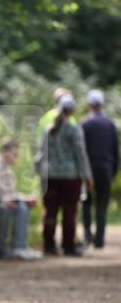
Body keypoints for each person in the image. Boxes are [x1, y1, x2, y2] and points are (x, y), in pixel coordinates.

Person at [35, 94, 92, 256]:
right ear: (72, 110)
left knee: (50, 211)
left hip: (49, 176)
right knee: (69, 212)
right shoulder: (74, 129)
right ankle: (68, 246)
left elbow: (40, 153)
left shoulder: (48, 129)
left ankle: (49, 245)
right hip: (70, 177)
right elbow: (81, 155)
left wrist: (39, 172)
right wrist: (87, 176)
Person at [0, 139, 41, 260]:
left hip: (2, 201)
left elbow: (11, 193)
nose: (16, 158)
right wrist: (23, 199)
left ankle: (21, 246)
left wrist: (25, 198)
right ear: (5, 152)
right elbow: (1, 193)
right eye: (14, 155)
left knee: (23, 206)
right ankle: (18, 247)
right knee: (22, 208)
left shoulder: (7, 168)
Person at [81, 89, 119, 250]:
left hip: (88, 169)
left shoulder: (84, 123)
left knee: (86, 203)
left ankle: (87, 236)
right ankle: (99, 239)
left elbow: (81, 150)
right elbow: (115, 150)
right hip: (105, 169)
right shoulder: (110, 124)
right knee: (102, 203)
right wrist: (114, 171)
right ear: (102, 104)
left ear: (89, 104)